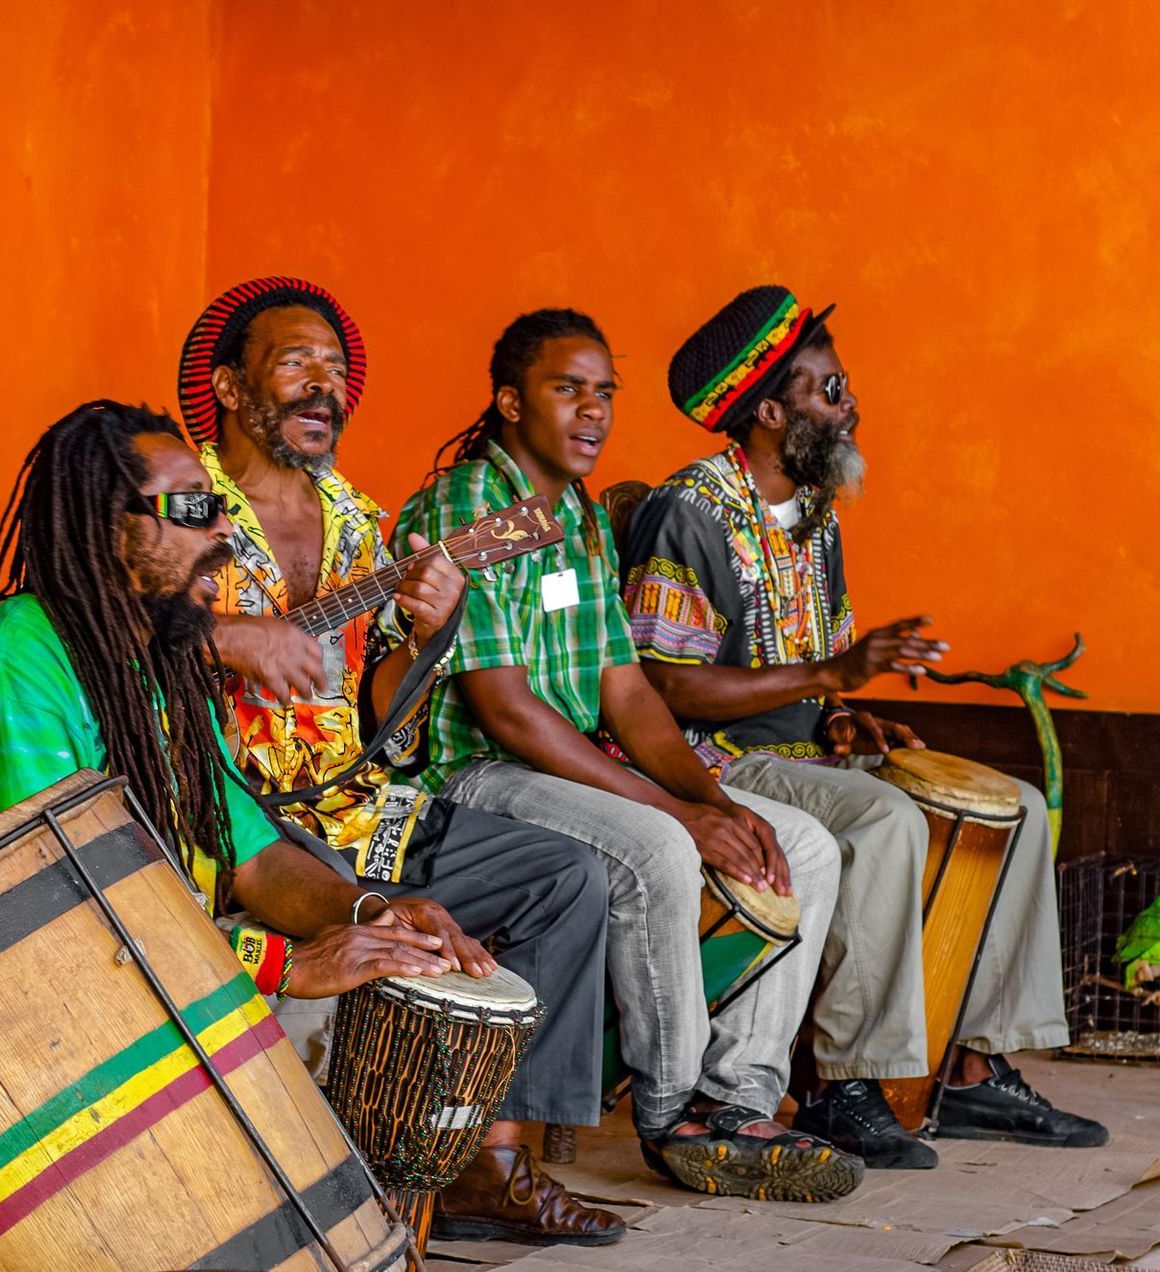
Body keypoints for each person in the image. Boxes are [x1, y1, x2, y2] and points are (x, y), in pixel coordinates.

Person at [0, 401, 629, 1245]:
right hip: (38, 1022)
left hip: (163, 971)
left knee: (407, 980)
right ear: (108, 528)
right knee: (343, 1032)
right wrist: (282, 962)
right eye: (188, 509)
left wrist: (367, 913)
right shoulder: (13, 666)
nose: (218, 529)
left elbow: (248, 855)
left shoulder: (159, 660)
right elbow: (57, 920)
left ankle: (387, 1220)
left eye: (215, 504)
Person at [176, 277, 619, 1245]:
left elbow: (380, 720)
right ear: (233, 388)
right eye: (295, 363)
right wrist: (234, 639)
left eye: (334, 370)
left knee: (567, 877)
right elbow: (121, 642)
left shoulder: (362, 522)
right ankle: (327, 1174)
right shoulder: (178, 504)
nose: (321, 386)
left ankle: (489, 1163)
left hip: (361, 810)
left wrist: (426, 634)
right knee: (379, 926)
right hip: (238, 821)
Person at [621, 285, 1104, 1165]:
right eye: (829, 390)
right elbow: (663, 685)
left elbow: (824, 667)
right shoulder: (687, 512)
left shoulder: (813, 512)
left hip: (800, 755)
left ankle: (969, 1067)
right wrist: (827, 678)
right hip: (712, 762)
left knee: (1020, 808)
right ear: (769, 411)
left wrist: (849, 714)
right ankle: (850, 1084)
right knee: (887, 820)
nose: (852, 405)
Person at [394, 308, 860, 1202]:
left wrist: (717, 801)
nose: (593, 411)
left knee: (798, 843)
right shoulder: (466, 504)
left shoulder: (577, 515)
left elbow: (629, 691)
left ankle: (738, 1099)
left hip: (568, 766)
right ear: (507, 401)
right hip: (480, 778)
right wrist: (680, 813)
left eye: (604, 392)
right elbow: (507, 711)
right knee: (659, 848)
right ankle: (670, 1110)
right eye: (567, 390)